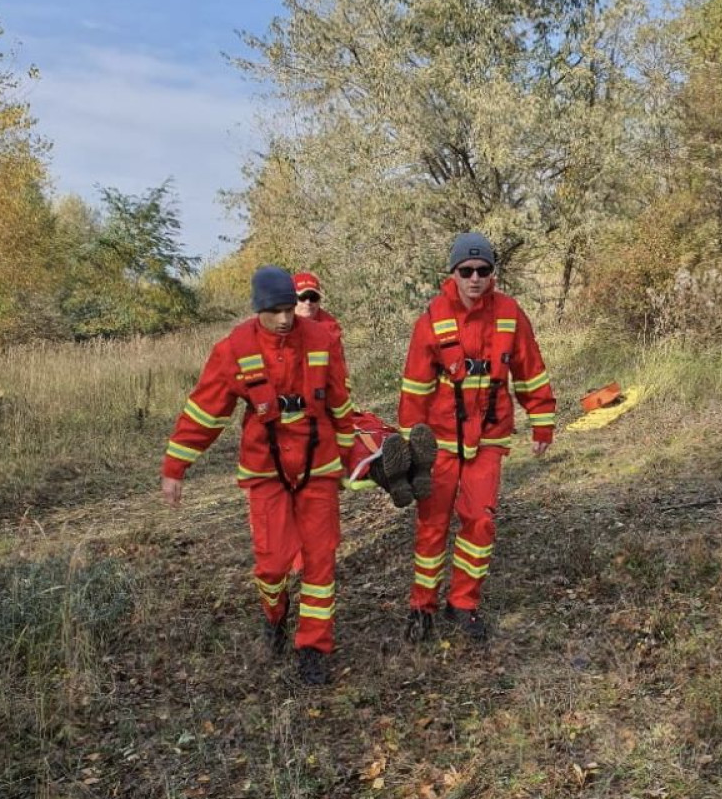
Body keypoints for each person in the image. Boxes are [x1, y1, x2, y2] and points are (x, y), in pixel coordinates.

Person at [161, 266, 358, 686]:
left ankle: (313, 647)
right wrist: (176, 467)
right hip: (265, 469)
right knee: (272, 564)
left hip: (317, 465)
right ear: (258, 310)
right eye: (275, 312)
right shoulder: (235, 348)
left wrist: (348, 455)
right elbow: (205, 410)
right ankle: (275, 614)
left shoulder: (322, 340)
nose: (285, 319)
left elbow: (340, 404)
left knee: (320, 560)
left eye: (289, 309)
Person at [397, 232, 556, 642]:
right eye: (466, 271)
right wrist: (405, 448)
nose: (474, 279)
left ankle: (463, 604)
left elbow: (529, 368)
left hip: (487, 439)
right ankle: (422, 607)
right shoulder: (432, 318)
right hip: (440, 443)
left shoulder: (509, 314)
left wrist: (542, 418)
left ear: (493, 274)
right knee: (431, 526)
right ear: (452, 273)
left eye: (483, 271)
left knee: (480, 523)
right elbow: (415, 388)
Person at [292, 269, 438, 508]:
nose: (308, 302)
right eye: (301, 297)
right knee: (349, 446)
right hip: (300, 413)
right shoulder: (280, 330)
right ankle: (403, 480)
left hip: (332, 406)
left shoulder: (328, 331)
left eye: (313, 297)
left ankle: (414, 470)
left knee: (373, 431)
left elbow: (340, 379)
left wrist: (338, 405)